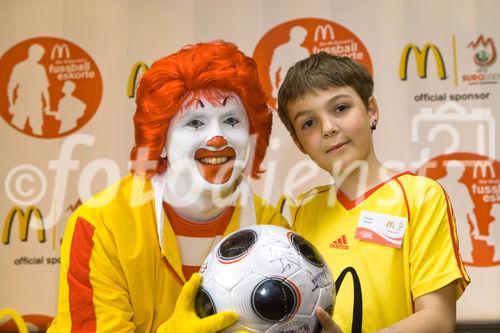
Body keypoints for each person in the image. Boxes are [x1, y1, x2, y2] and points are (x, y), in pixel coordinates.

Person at [47, 41, 287, 333]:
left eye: (231, 120)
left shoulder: (271, 228)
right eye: (195, 122)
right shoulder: (101, 225)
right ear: (160, 142)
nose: (217, 137)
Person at [277, 52, 470, 333]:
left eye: (341, 108)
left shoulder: (420, 196)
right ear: (298, 142)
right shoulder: (305, 210)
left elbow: (438, 320)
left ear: (371, 111)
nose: (328, 128)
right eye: (309, 123)